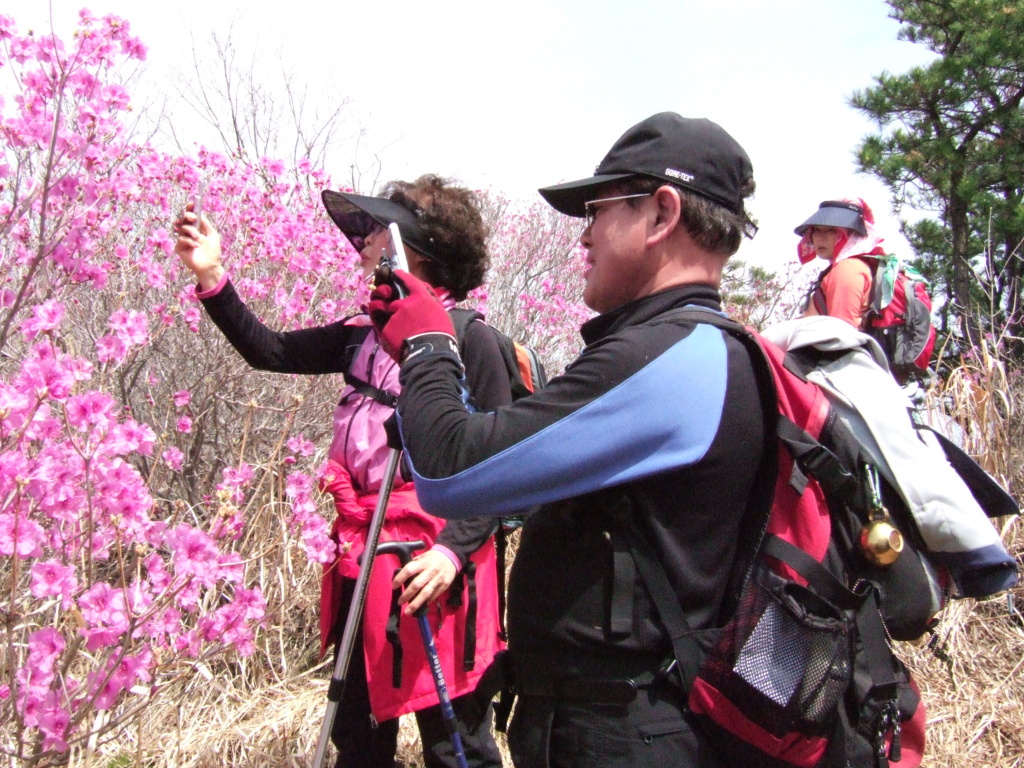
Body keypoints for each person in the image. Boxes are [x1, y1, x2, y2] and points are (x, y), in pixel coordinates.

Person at [366, 113, 766, 767]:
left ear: (663, 213)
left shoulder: (665, 359)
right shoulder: (701, 348)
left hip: (623, 730)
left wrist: (427, 343)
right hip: (624, 718)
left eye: (598, 211)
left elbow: (451, 473)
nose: (584, 237)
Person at [172, 175, 505, 768]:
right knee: (357, 726)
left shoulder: (474, 342)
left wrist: (452, 553)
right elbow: (269, 351)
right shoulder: (361, 334)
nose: (367, 243)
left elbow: (501, 470)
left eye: (381, 231)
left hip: (437, 561)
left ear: (415, 250)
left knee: (454, 739)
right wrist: (211, 276)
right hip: (365, 544)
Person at [794, 197, 888, 329]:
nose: (821, 237)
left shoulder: (847, 269)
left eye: (831, 230)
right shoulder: (852, 266)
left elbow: (841, 334)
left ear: (850, 234)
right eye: (817, 229)